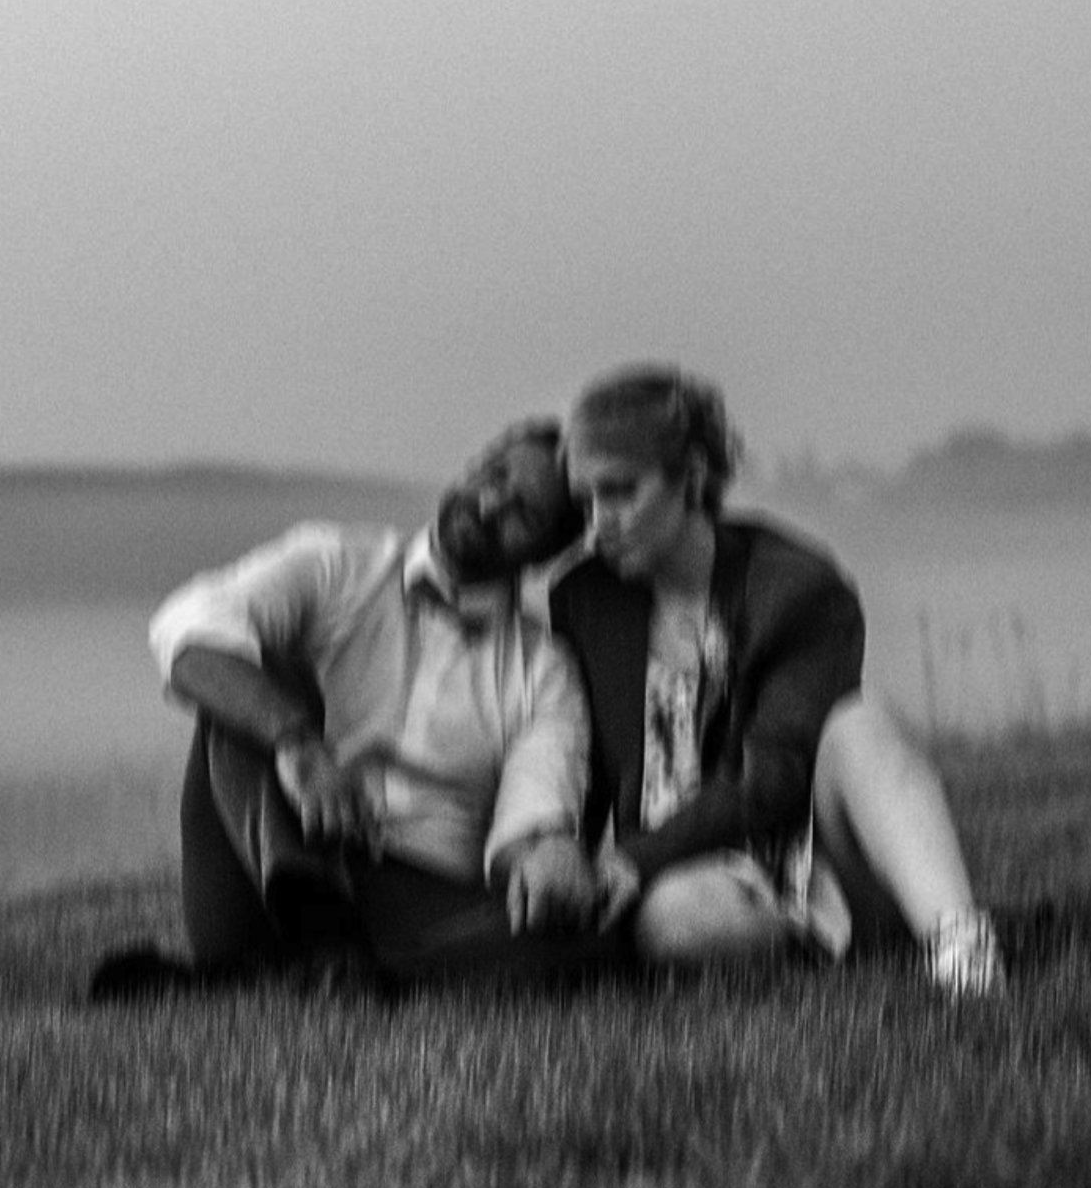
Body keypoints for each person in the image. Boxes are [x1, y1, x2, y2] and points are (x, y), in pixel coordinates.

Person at [90, 420, 623, 999]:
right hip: (278, 864)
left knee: (596, 946)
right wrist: (299, 746)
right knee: (245, 681)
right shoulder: (336, 561)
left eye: (523, 513)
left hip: (415, 897)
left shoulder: (544, 668)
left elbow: (535, 800)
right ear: (472, 465)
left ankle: (285, 977)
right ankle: (328, 948)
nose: (490, 505)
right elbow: (187, 630)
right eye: (494, 476)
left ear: (547, 553)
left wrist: (545, 853)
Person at [548, 363, 1005, 997]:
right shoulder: (583, 597)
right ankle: (826, 951)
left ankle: (962, 949)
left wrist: (633, 860)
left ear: (692, 476)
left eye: (621, 492)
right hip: (678, 882)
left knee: (859, 725)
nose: (600, 521)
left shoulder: (793, 585)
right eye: (585, 501)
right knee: (673, 923)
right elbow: (572, 751)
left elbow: (776, 776)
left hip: (800, 852)